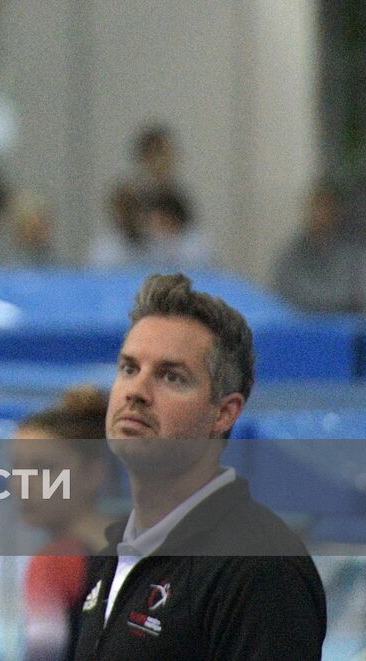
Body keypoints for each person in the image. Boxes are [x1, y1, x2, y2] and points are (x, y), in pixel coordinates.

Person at [72, 273, 325, 659]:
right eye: (129, 368)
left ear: (224, 413)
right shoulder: (111, 554)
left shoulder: (259, 568)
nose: (136, 391)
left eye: (171, 376)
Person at [13, 386, 110, 661]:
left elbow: (43, 654)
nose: (22, 485)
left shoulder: (54, 563)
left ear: (92, 473)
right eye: (16, 468)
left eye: (43, 470)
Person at [272, 180, 364, 313]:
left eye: (326, 207)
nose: (320, 214)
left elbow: (355, 296)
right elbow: (283, 294)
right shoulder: (292, 254)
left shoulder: (353, 256)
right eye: (316, 207)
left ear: (336, 212)